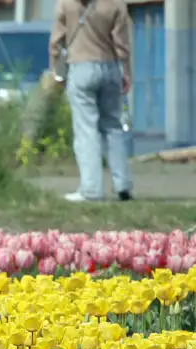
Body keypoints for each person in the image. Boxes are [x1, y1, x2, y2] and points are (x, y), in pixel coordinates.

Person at [49, 0, 133, 202]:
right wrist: (127, 72)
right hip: (110, 66)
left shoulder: (66, 4)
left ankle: (92, 189)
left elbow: (56, 42)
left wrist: (56, 71)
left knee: (86, 129)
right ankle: (122, 185)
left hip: (81, 67)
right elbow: (122, 44)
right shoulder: (115, 4)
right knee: (113, 126)